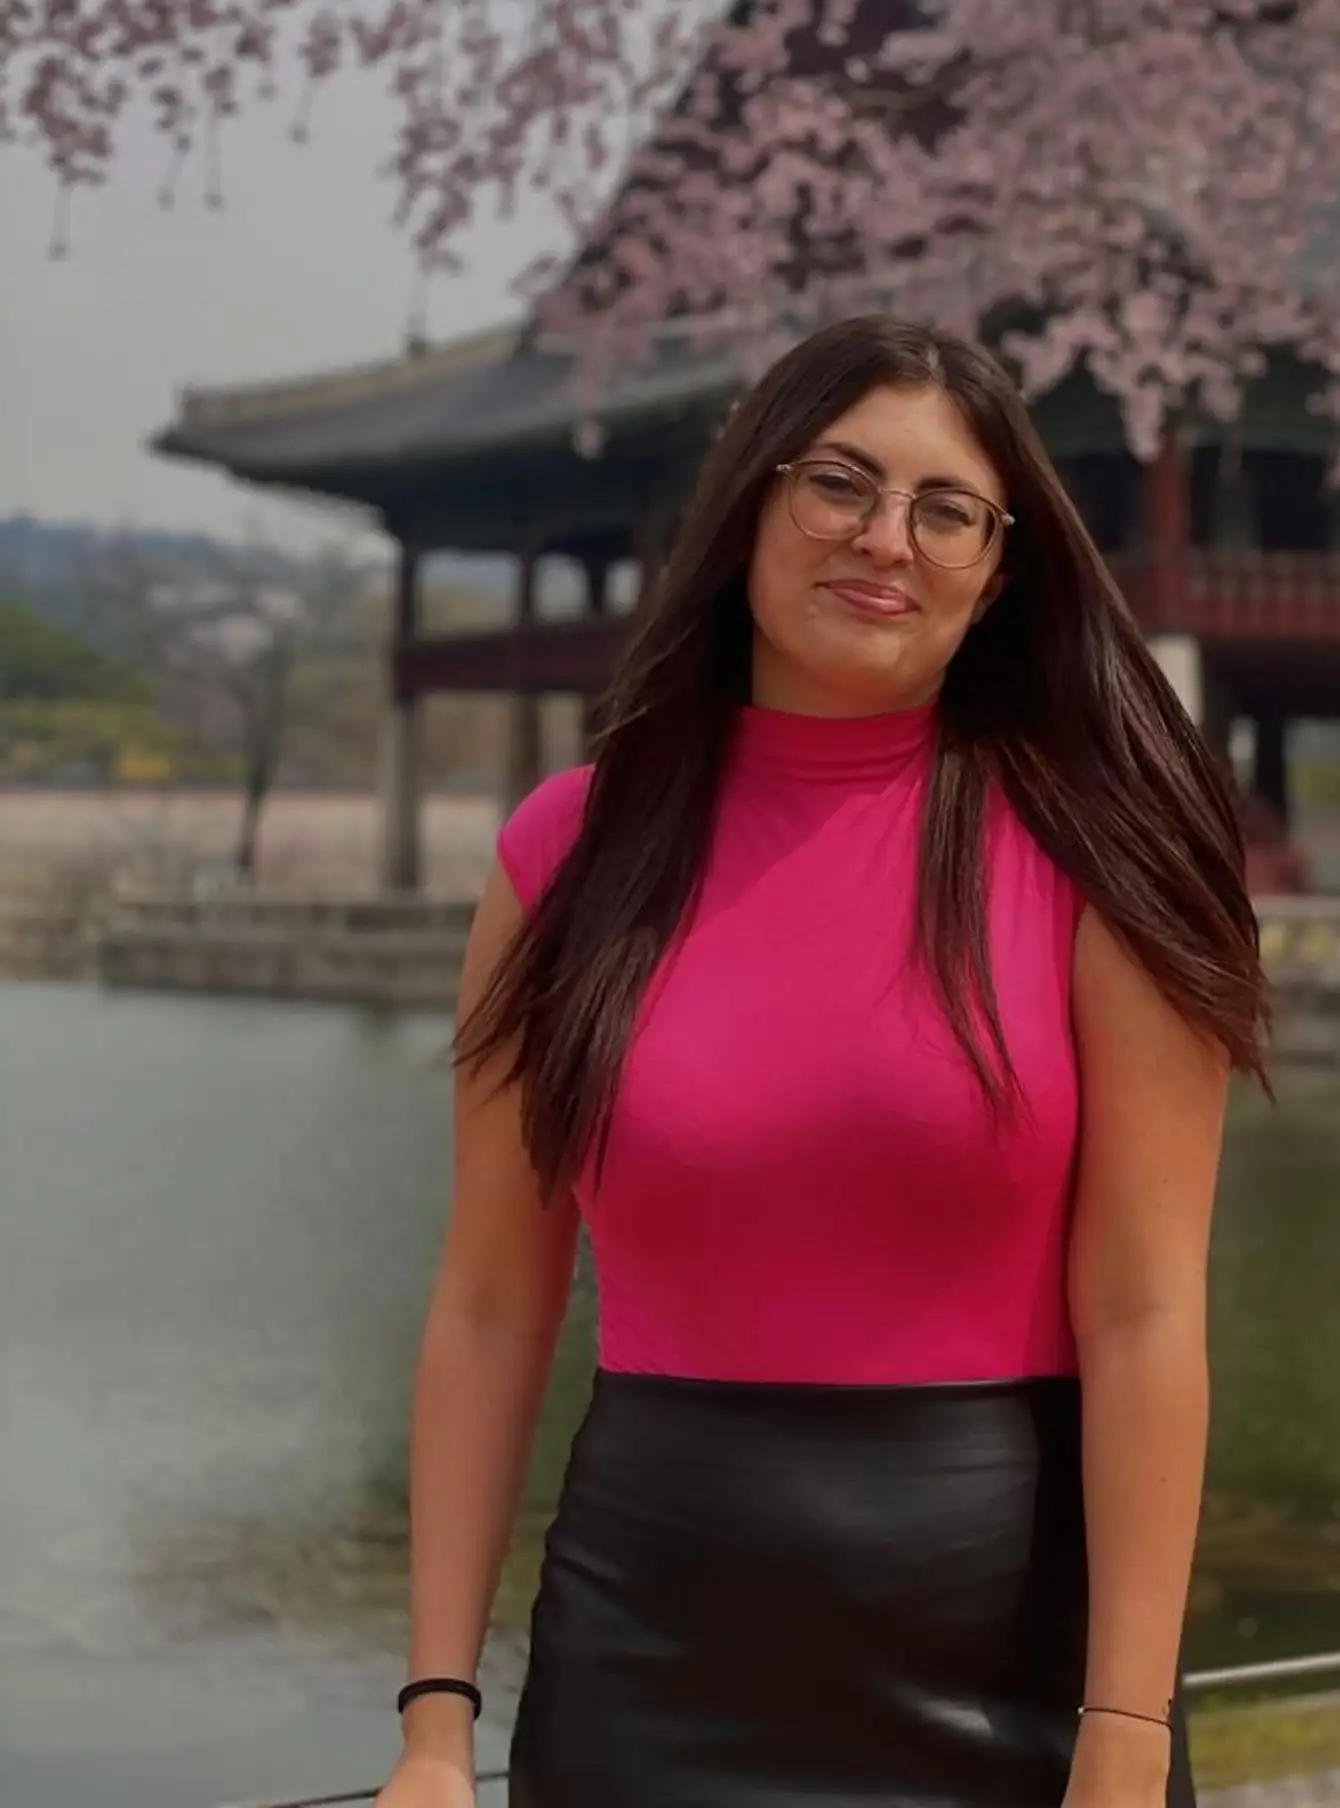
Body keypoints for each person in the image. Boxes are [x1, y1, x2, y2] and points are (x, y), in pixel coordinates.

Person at [374, 314, 1272, 1808]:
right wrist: (434, 1724)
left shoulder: (1101, 858)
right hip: (645, 1653)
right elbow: (486, 1306)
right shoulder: (566, 855)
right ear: (749, 506)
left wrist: (1124, 1732)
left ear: (999, 574)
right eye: (840, 484)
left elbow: (1145, 1314)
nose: (885, 540)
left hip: (1012, 1671)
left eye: (946, 511)